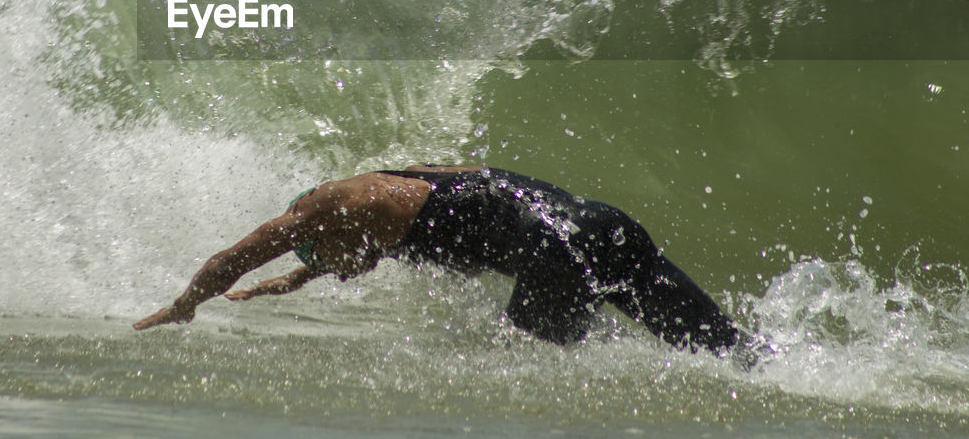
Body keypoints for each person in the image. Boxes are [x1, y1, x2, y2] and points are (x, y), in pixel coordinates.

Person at [133, 165, 755, 360]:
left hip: (555, 251)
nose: (335, 264)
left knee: (533, 383)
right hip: (606, 228)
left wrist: (185, 306)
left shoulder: (325, 210)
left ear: (317, 220)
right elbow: (363, 249)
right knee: (730, 353)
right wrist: (301, 276)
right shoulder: (400, 190)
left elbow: (230, 258)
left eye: (321, 252)